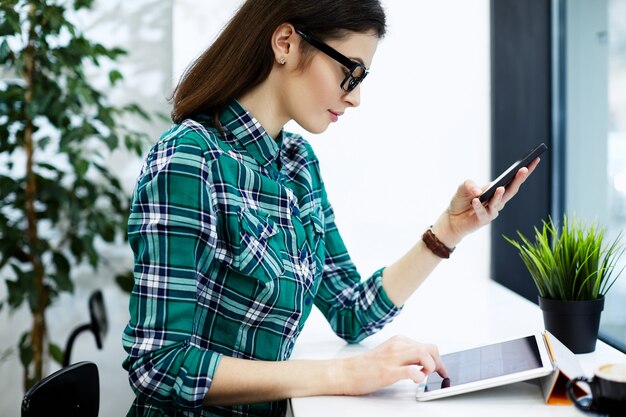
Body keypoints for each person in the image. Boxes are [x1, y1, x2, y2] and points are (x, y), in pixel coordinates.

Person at [121, 0, 540, 416]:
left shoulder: (297, 163)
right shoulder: (189, 160)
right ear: (286, 42)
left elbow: (350, 311)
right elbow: (159, 364)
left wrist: (448, 230)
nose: (355, 98)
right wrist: (343, 375)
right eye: (349, 72)